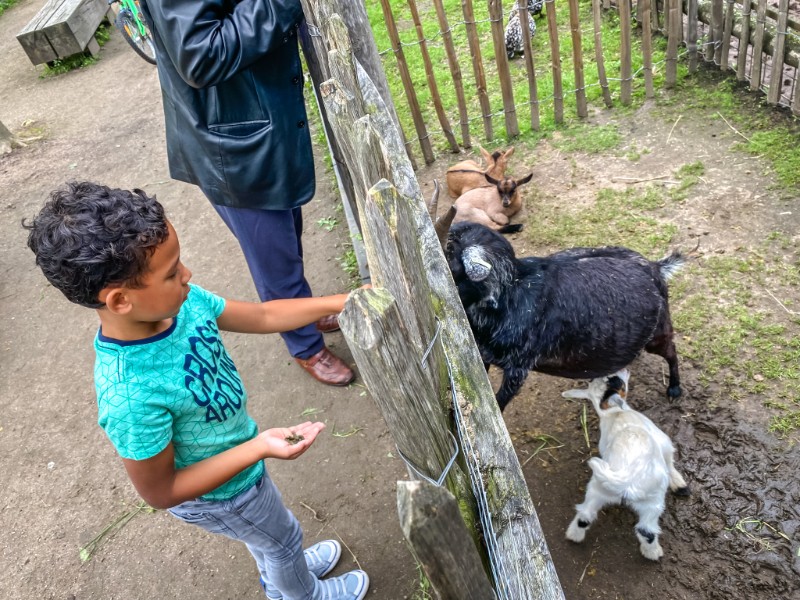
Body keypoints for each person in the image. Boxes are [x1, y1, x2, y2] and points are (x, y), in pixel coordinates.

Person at [23, 182, 370, 600]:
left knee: (270, 537)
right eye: (171, 273)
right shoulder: (130, 396)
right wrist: (257, 448)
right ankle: (304, 593)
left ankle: (284, 575)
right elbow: (161, 492)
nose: (186, 275)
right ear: (119, 301)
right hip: (221, 493)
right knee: (280, 538)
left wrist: (340, 300)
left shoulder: (183, 303)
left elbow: (262, 315)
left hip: (238, 464)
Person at [138, 0, 355, 386]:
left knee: (285, 241)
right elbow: (201, 56)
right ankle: (304, 344)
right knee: (273, 256)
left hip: (256, 128)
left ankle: (301, 309)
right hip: (231, 144)